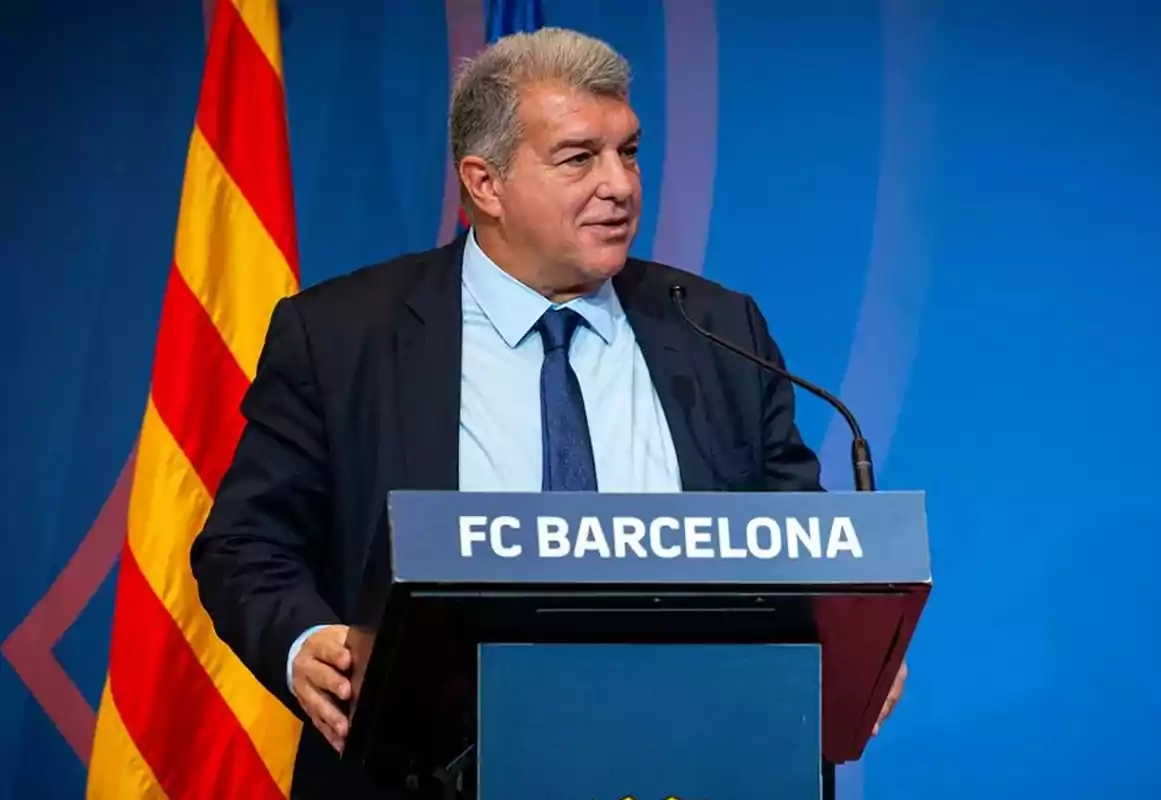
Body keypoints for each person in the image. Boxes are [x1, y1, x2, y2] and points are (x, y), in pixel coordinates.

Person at [191, 25, 904, 798]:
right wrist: (304, 644)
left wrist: (848, 641)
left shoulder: (717, 329)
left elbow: (795, 537)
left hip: (696, 761)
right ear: (484, 183)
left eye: (628, 152)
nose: (621, 185)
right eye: (578, 158)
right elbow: (245, 544)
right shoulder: (342, 336)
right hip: (426, 770)